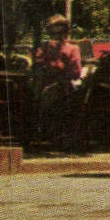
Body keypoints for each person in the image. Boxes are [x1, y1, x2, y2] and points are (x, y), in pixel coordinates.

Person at [33, 16, 84, 148]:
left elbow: (76, 72)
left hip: (60, 87)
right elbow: (38, 65)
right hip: (51, 86)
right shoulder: (46, 47)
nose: (58, 34)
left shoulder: (71, 48)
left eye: (60, 30)